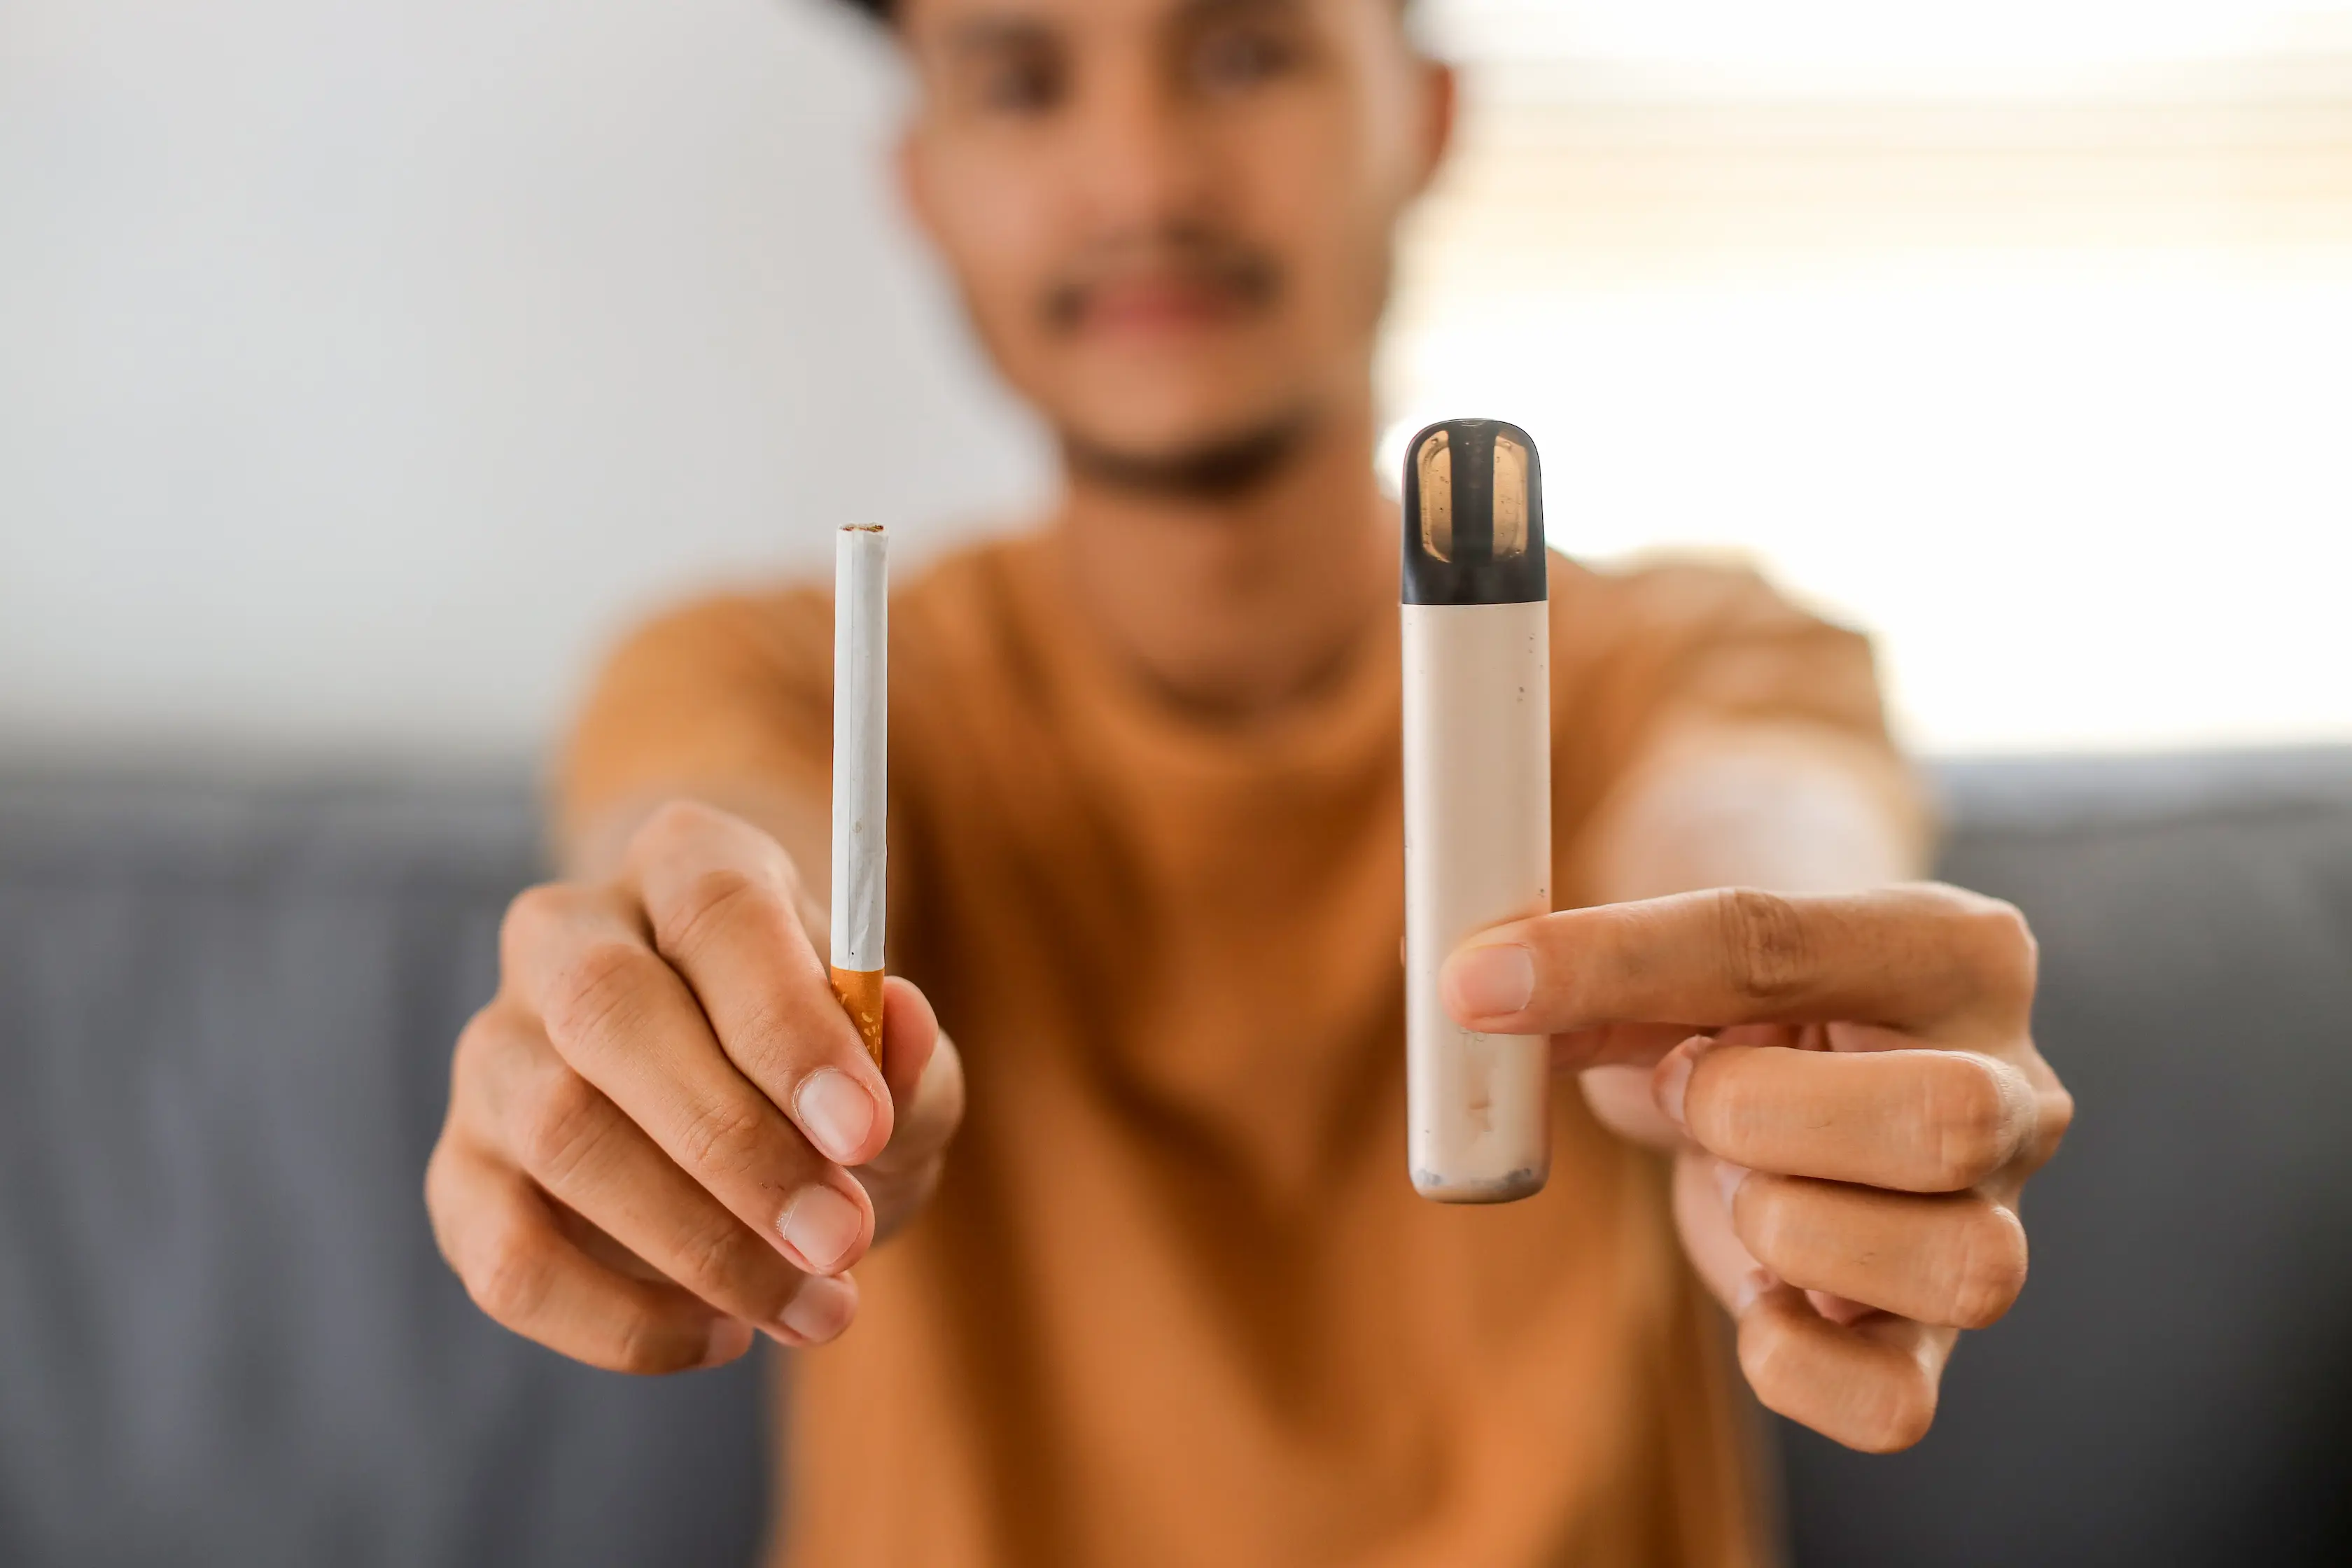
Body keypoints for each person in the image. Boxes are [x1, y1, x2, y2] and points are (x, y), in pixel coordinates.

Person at [423, 0, 2073, 1562]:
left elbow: (1766, 812)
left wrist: (1798, 1051)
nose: (1143, 177)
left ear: (1422, 119)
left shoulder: (1703, 654)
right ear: (922, 184)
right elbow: (712, 832)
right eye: (1020, 76)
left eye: (1244, 50)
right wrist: (698, 1020)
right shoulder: (764, 676)